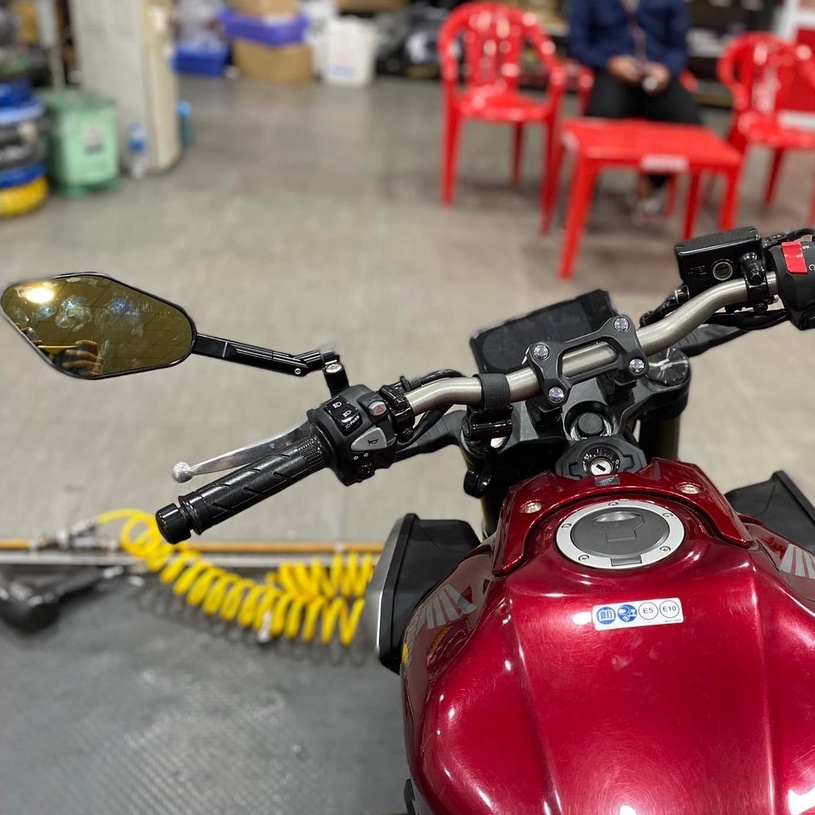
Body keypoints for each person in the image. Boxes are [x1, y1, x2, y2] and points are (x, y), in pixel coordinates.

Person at [567, 0, 703, 221]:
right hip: (612, 74)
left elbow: (680, 47)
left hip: (658, 77)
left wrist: (666, 69)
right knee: (597, 127)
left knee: (691, 127)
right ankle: (584, 196)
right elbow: (576, 43)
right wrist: (609, 63)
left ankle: (651, 184)